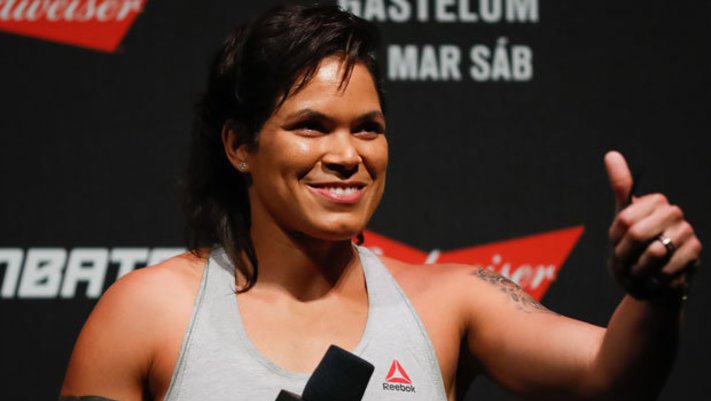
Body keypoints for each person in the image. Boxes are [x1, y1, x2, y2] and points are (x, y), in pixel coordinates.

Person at [59, 4, 702, 401]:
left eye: (367, 128)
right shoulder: (147, 313)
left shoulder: (453, 303)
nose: (347, 154)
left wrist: (654, 293)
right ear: (239, 146)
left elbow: (611, 376)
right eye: (312, 126)